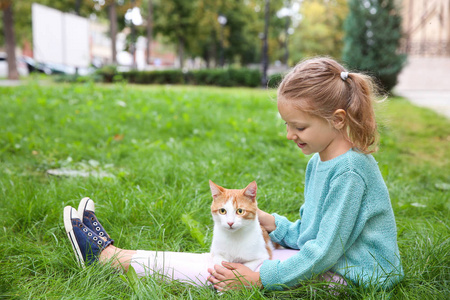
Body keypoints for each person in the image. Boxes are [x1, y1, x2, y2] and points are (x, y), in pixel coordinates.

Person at [63, 57, 403, 292]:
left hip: (358, 275)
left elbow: (324, 251)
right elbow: (314, 234)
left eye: (299, 126)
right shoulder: (320, 161)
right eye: (287, 125)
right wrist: (276, 224)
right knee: (231, 256)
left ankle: (112, 259)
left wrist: (258, 279)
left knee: (225, 268)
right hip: (334, 262)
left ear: (338, 120)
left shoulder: (350, 172)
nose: (289, 135)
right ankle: (118, 257)